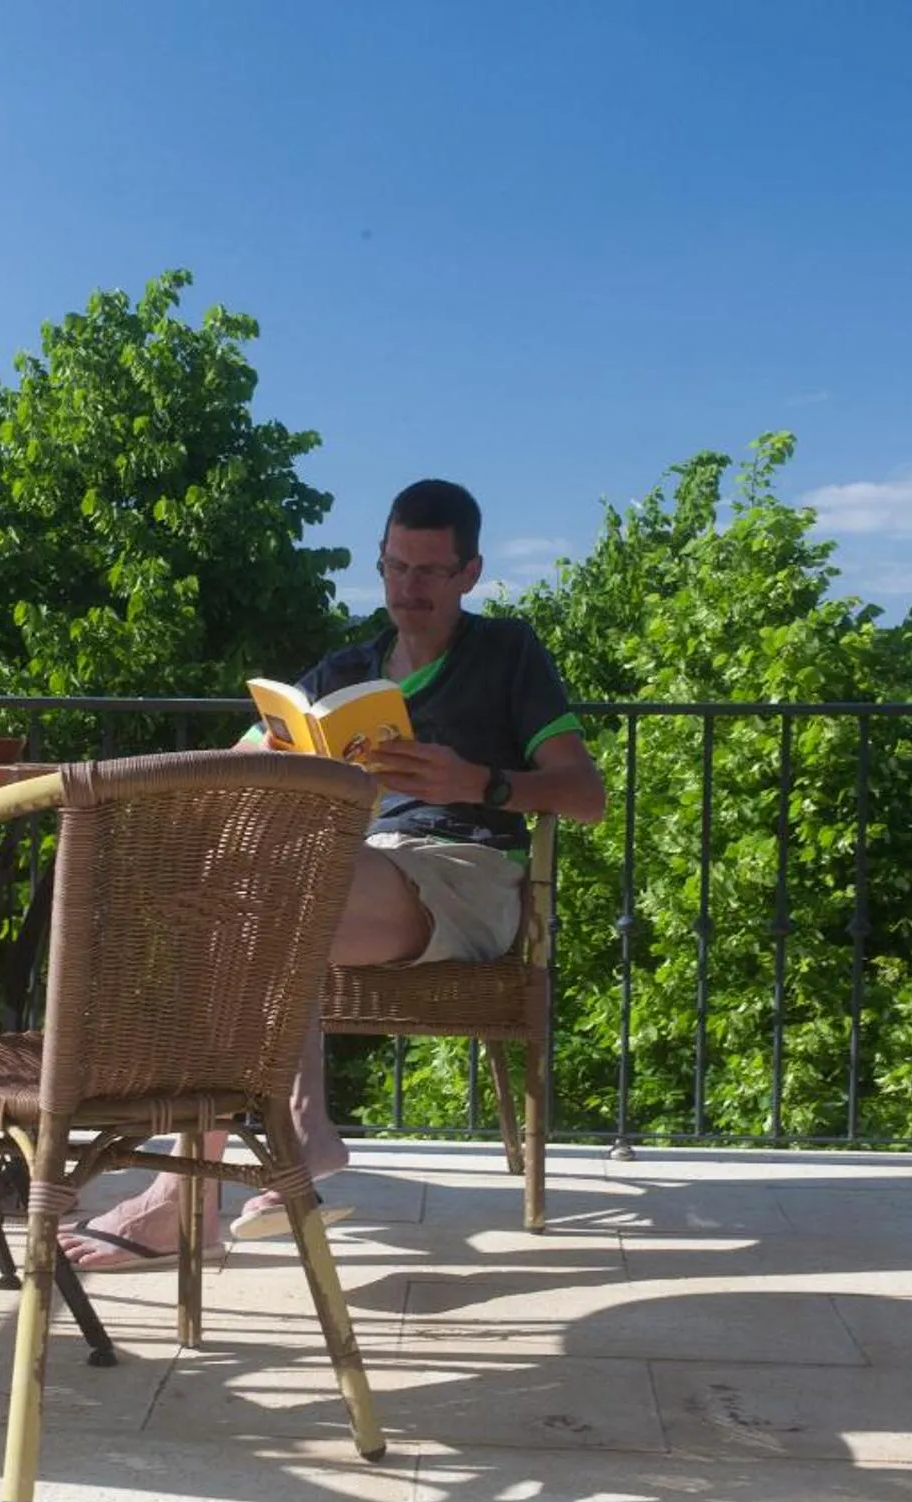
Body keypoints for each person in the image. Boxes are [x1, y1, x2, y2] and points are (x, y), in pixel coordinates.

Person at [60, 480, 608, 1270]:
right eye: (394, 567)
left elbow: (585, 795)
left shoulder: (507, 653)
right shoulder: (344, 671)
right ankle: (281, 1148)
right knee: (235, 889)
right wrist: (275, 762)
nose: (407, 589)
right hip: (352, 871)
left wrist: (478, 783)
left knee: (270, 889)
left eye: (428, 571)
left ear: (470, 573)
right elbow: (239, 764)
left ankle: (213, 1178)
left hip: (467, 873)